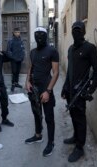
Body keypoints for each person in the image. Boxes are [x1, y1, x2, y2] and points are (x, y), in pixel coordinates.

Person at [61, 21, 97, 162]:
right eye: (74, 30)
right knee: (73, 115)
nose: (76, 33)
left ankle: (80, 147)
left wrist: (90, 90)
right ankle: (75, 136)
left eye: (79, 30)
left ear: (84, 32)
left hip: (81, 91)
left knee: (80, 118)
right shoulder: (71, 49)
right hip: (70, 91)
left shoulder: (90, 48)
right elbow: (70, 71)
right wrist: (65, 87)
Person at [25, 27, 59, 157]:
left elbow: (55, 73)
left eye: (41, 35)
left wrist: (48, 91)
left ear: (46, 36)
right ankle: (38, 135)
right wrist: (27, 82)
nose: (39, 37)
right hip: (33, 88)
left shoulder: (52, 51)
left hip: (46, 89)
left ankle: (51, 142)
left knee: (49, 117)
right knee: (36, 113)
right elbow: (30, 67)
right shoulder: (33, 52)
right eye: (36, 35)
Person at [7, 27, 25, 92]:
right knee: (14, 72)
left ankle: (16, 83)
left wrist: (22, 57)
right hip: (13, 59)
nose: (17, 33)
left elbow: (23, 49)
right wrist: (12, 57)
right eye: (16, 32)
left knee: (17, 72)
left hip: (19, 59)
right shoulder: (10, 40)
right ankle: (13, 84)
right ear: (14, 33)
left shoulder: (21, 40)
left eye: (18, 32)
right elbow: (8, 50)